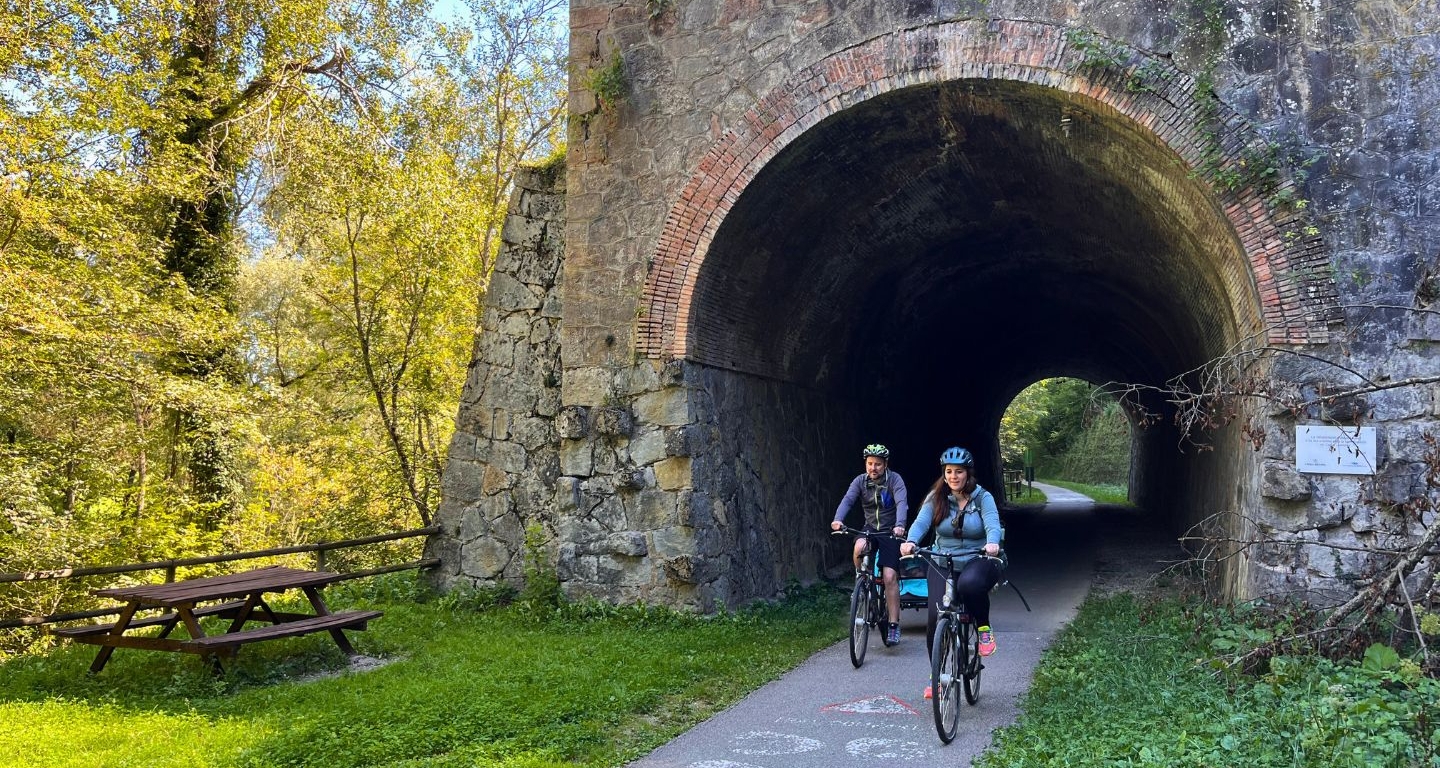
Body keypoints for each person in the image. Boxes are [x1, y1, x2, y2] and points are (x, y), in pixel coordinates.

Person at [901, 446, 1003, 698]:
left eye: (959, 471)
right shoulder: (936, 497)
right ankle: (937, 677)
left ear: (968, 474)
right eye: (949, 472)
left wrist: (992, 543)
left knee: (969, 585)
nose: (954, 476)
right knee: (936, 619)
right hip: (942, 559)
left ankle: (983, 629)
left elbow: (992, 524)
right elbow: (922, 522)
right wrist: (911, 541)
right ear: (943, 474)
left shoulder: (982, 497)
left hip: (978, 558)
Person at [830, 443, 910, 646]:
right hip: (870, 528)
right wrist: (838, 519)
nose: (873, 468)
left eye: (878, 465)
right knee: (858, 547)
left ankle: (893, 624)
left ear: (886, 465)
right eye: (870, 464)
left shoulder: (895, 480)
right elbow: (848, 500)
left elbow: (902, 503)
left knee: (889, 576)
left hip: (891, 531)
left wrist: (900, 525)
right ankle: (862, 581)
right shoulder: (860, 481)